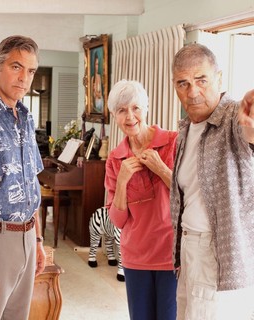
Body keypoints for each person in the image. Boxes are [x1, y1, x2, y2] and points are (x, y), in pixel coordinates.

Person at [170, 43, 254, 320]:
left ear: (219, 78)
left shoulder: (231, 117)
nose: (192, 92)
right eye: (183, 83)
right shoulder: (186, 129)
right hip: (188, 247)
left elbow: (249, 134)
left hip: (215, 252)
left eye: (201, 80)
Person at [0, 35, 46, 320]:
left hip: (26, 236)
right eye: (16, 67)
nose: (24, 78)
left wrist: (37, 241)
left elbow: (31, 184)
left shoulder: (26, 117)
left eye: (31, 71)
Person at [105, 79, 178, 320]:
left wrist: (162, 170)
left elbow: (191, 198)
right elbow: (117, 220)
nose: (130, 116)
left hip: (172, 256)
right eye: (122, 110)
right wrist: (123, 180)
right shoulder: (115, 159)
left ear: (146, 108)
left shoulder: (174, 142)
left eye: (135, 108)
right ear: (114, 116)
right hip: (136, 257)